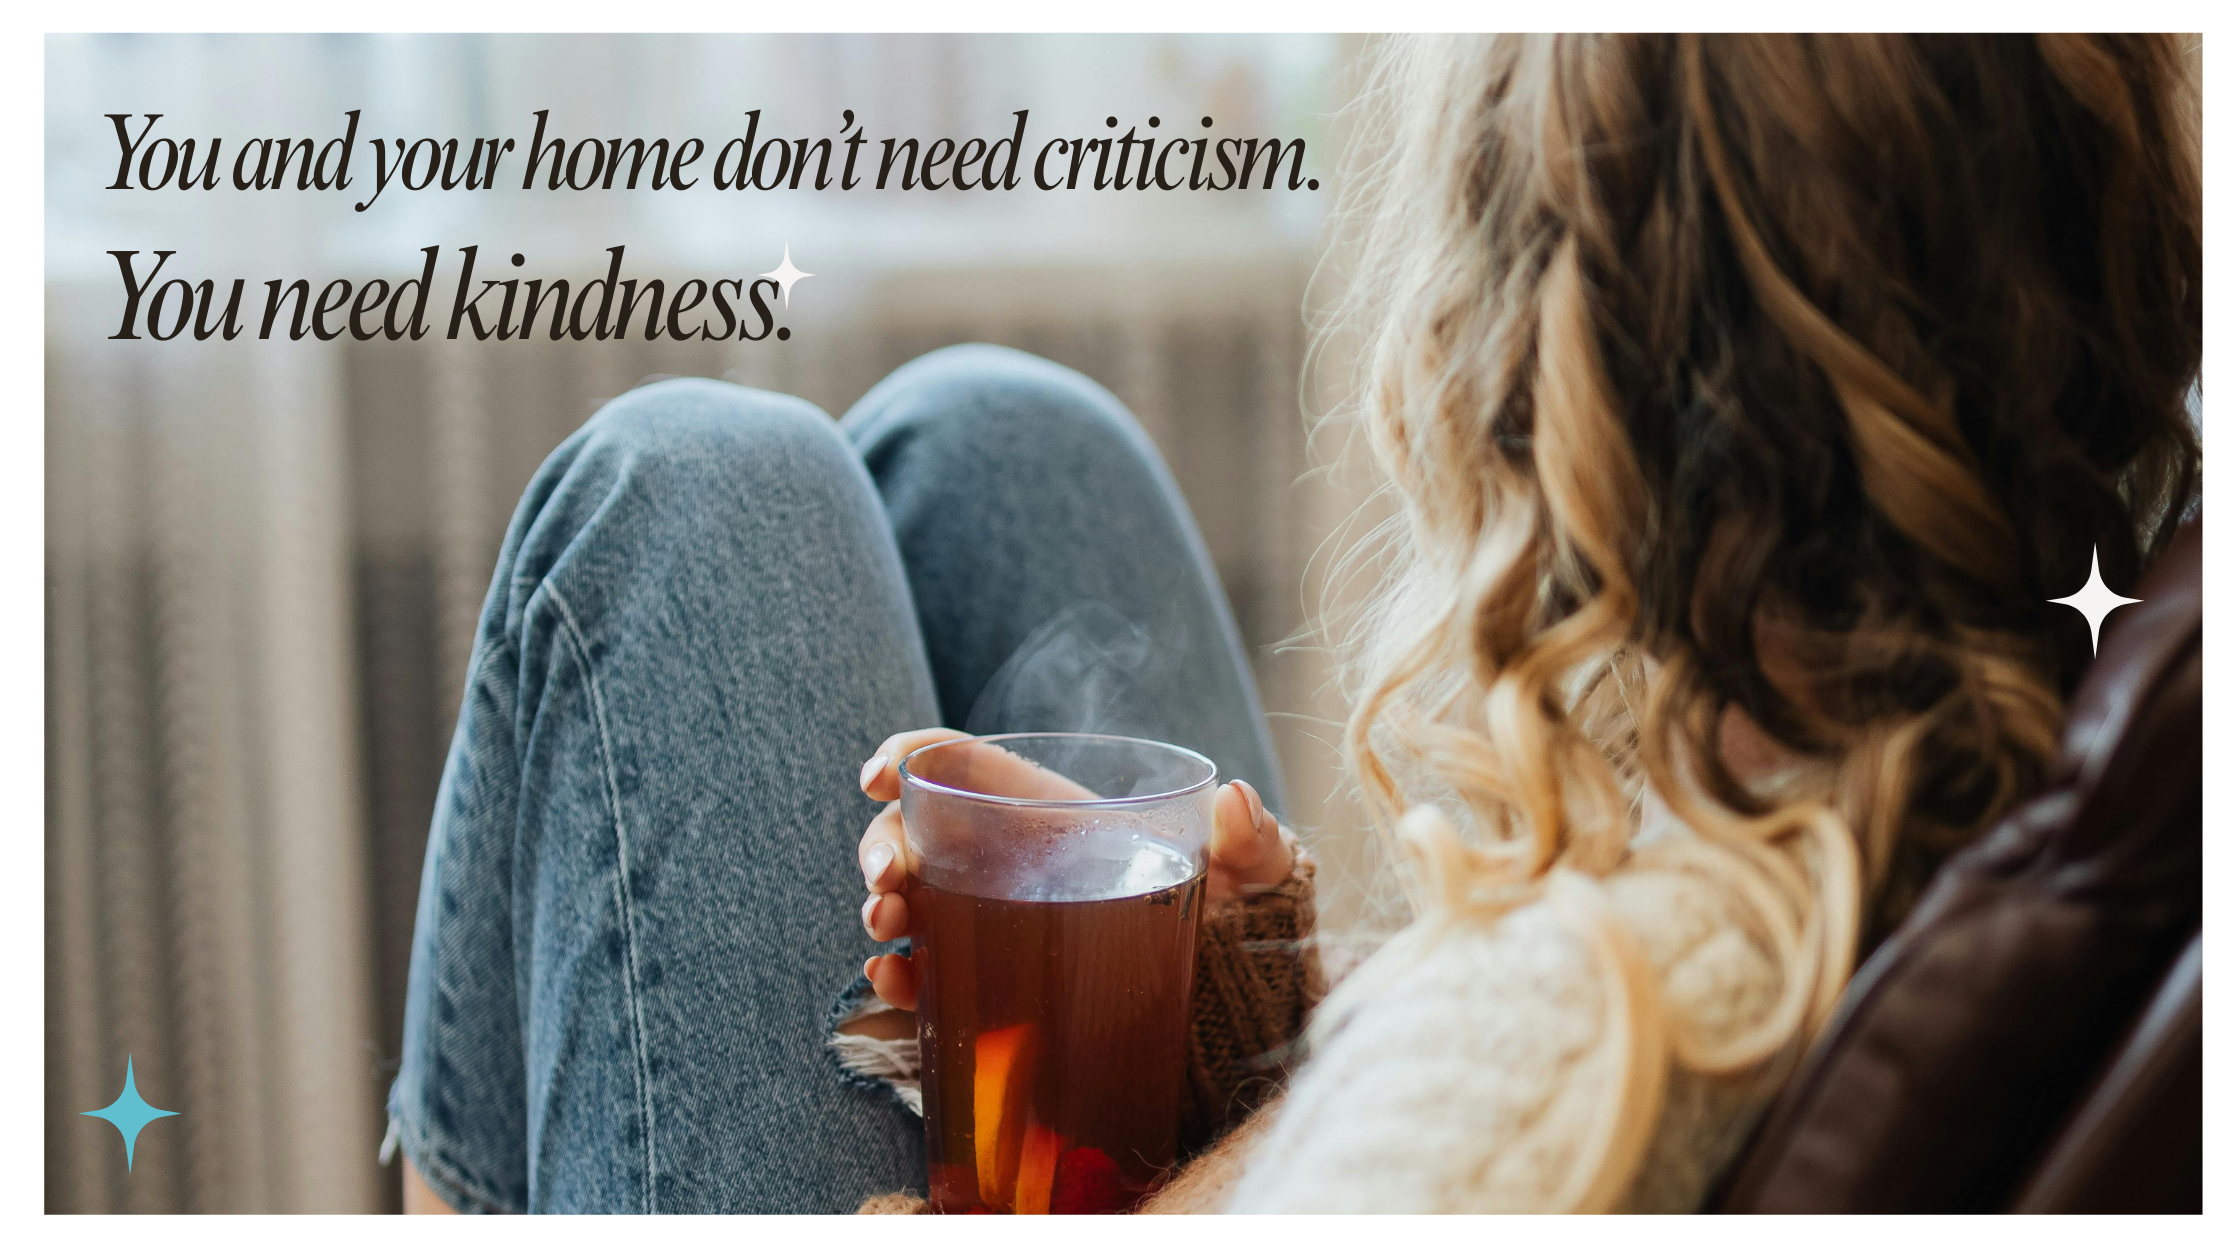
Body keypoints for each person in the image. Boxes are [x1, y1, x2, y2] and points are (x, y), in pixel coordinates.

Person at [392, 33, 2201, 1213]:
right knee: (1010, 435)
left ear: (1548, 381)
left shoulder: (1569, 1029)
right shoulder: (1912, 815)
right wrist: (1271, 1020)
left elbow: (1466, 1124)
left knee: (682, 481)